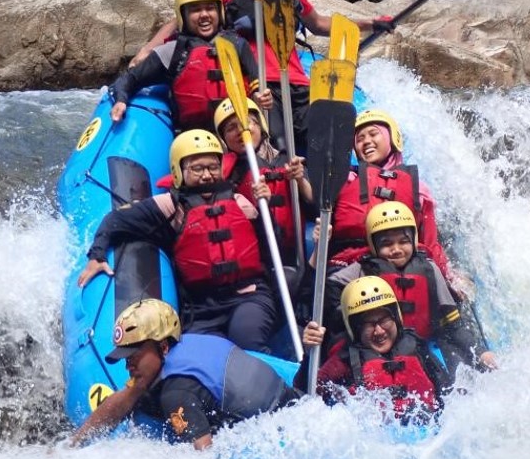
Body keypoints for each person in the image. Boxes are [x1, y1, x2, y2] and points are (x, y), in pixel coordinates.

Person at [132, 0, 391, 152]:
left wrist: (369, 24)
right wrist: (146, 50)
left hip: (298, 80)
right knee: (277, 144)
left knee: (325, 141)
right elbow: (181, 20)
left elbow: (318, 24)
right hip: (257, 84)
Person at [76, 129, 279, 351]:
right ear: (179, 170)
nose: (207, 175)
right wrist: (97, 255)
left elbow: (272, 247)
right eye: (197, 168)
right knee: (191, 358)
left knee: (247, 339)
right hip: (201, 308)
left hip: (249, 296)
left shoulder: (241, 202)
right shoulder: (170, 206)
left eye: (213, 167)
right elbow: (116, 221)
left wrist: (266, 209)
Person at [70, 299, 299, 449]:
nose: (128, 364)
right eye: (126, 357)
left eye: (135, 354)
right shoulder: (193, 342)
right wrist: (74, 444)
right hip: (291, 398)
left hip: (277, 430)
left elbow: (203, 453)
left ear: (163, 347)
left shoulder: (176, 393)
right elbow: (129, 395)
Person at [316, 201, 496, 374]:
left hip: (420, 345)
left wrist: (481, 352)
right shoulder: (363, 269)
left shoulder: (429, 268)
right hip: (376, 345)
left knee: (459, 373)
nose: (396, 249)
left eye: (403, 241)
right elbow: (330, 289)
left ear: (414, 240)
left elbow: (453, 324)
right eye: (387, 244)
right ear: (373, 245)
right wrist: (349, 317)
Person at [110, 0, 272, 133]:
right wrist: (121, 100)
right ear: (183, 16)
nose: (204, 15)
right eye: (195, 10)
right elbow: (129, 80)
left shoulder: (238, 45)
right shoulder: (171, 52)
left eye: (210, 8)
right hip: (193, 140)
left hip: (238, 132)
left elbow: (255, 84)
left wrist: (259, 97)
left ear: (219, 11)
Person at [324, 109, 454, 285]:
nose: (366, 142)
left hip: (402, 263)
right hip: (354, 263)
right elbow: (317, 201)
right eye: (360, 139)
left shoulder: (419, 189)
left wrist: (450, 278)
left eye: (373, 134)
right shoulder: (345, 179)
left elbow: (430, 242)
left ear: (392, 138)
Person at [298, 276, 450, 424]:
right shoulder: (345, 361)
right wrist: (308, 354)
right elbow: (305, 395)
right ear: (355, 329)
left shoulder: (417, 347)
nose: (379, 331)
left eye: (384, 320)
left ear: (396, 318)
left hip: (426, 432)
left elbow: (449, 393)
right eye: (368, 324)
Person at [214, 98, 312, 265]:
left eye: (247, 122)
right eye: (231, 128)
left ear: (260, 127)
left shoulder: (288, 159)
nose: (241, 130)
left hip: (296, 250)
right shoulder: (227, 173)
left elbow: (313, 203)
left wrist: (300, 179)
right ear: (223, 139)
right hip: (258, 252)